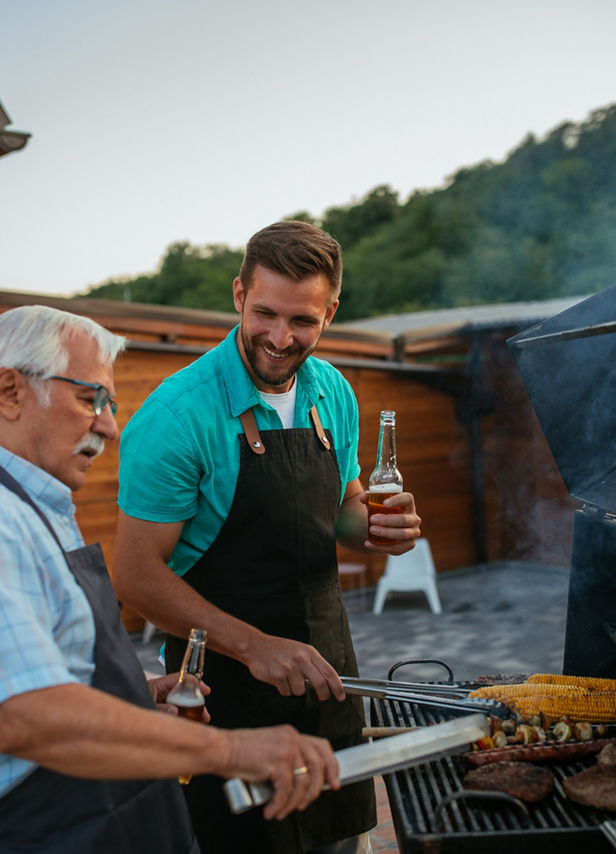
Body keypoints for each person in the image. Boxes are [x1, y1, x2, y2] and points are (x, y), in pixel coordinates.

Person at [0, 305, 341, 854]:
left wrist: (126, 696)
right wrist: (231, 751)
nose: (108, 425)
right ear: (9, 392)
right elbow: (24, 718)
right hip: (26, 834)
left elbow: (39, 674)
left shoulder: (25, 508)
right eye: (89, 399)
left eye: (109, 403)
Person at [112, 221, 424, 854]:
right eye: (265, 314)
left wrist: (376, 528)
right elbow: (138, 577)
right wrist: (254, 648)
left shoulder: (332, 391)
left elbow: (339, 510)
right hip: (223, 694)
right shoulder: (176, 417)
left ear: (331, 312)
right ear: (237, 296)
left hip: (329, 675)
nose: (281, 339)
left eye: (303, 321)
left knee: (342, 841)